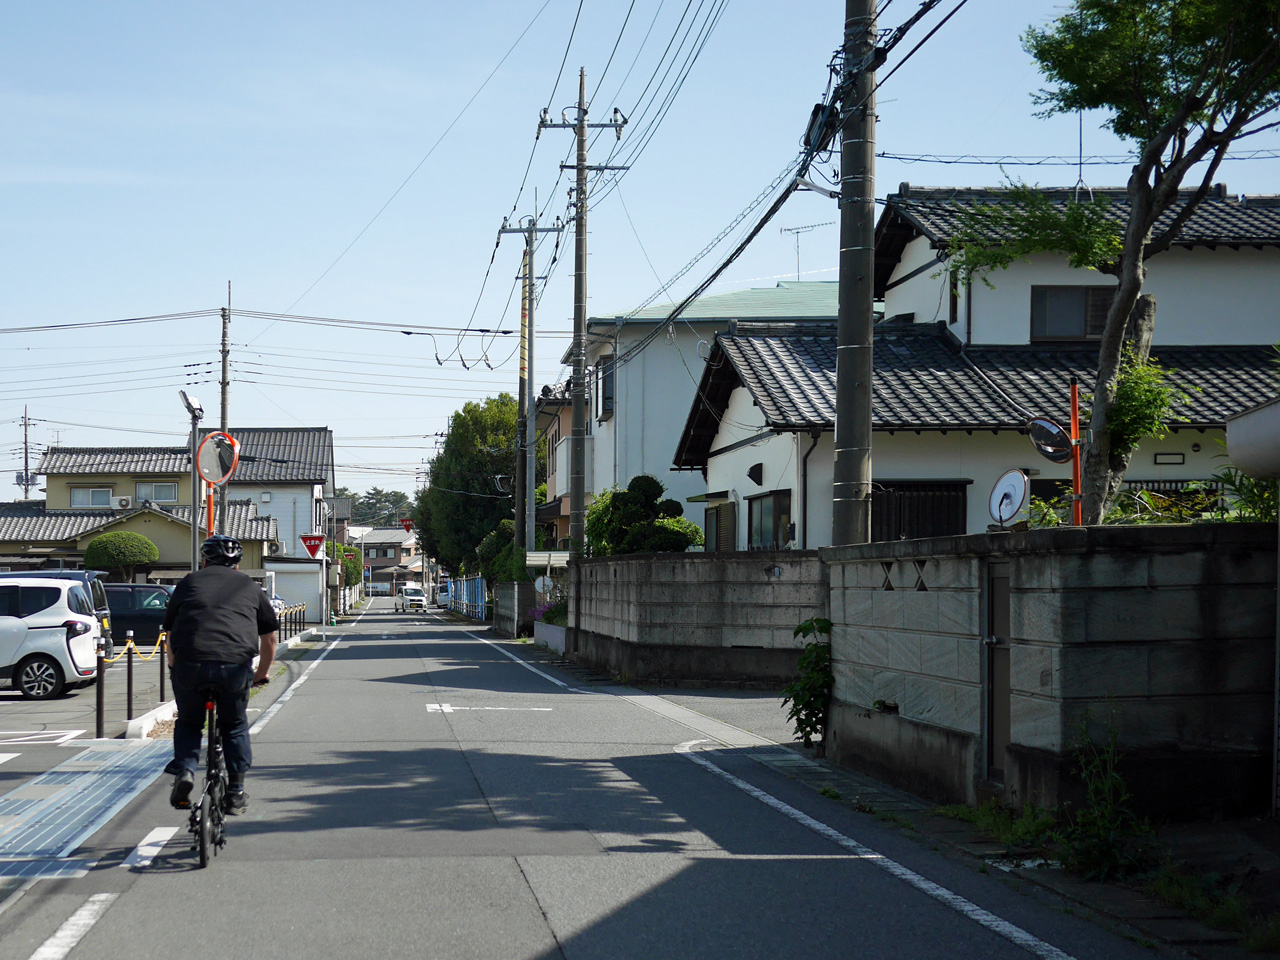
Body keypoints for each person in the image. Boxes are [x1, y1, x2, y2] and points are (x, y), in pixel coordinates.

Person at [163, 534, 278, 815]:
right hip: (234, 667)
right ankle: (236, 791)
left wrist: (174, 669)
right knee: (234, 725)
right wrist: (259, 675)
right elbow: (270, 640)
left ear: (204, 560)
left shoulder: (188, 583)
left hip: (191, 665)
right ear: (238, 564)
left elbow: (169, 637)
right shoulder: (252, 588)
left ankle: (186, 772)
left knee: (190, 722)